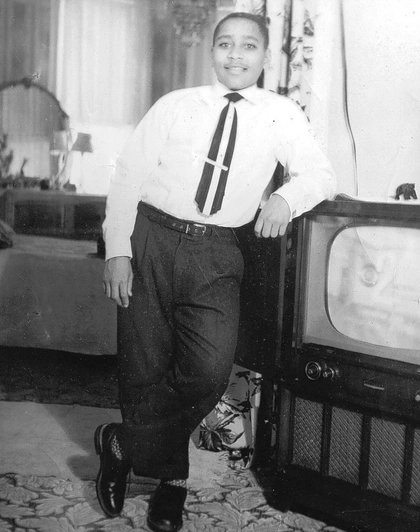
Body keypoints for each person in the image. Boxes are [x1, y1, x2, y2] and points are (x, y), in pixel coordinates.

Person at [95, 11, 336, 532]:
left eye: (248, 46)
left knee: (208, 368)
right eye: (225, 44)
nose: (235, 55)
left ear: (265, 56)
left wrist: (286, 198)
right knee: (143, 365)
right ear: (212, 51)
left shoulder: (281, 113)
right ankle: (171, 484)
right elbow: (128, 174)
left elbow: (320, 173)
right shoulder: (176, 105)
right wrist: (117, 250)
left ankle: (123, 443)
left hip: (218, 251)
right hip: (149, 236)